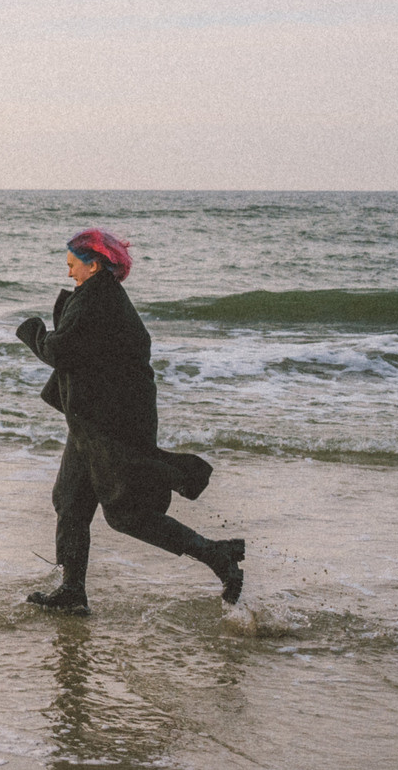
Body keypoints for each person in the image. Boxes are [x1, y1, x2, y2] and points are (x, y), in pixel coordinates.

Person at [16, 227, 243, 614]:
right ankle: (72, 592)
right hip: (94, 419)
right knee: (69, 501)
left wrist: (32, 332)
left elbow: (60, 350)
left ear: (94, 264)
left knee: (126, 515)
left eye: (73, 266)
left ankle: (218, 557)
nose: (69, 274)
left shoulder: (99, 299)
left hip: (112, 423)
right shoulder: (98, 295)